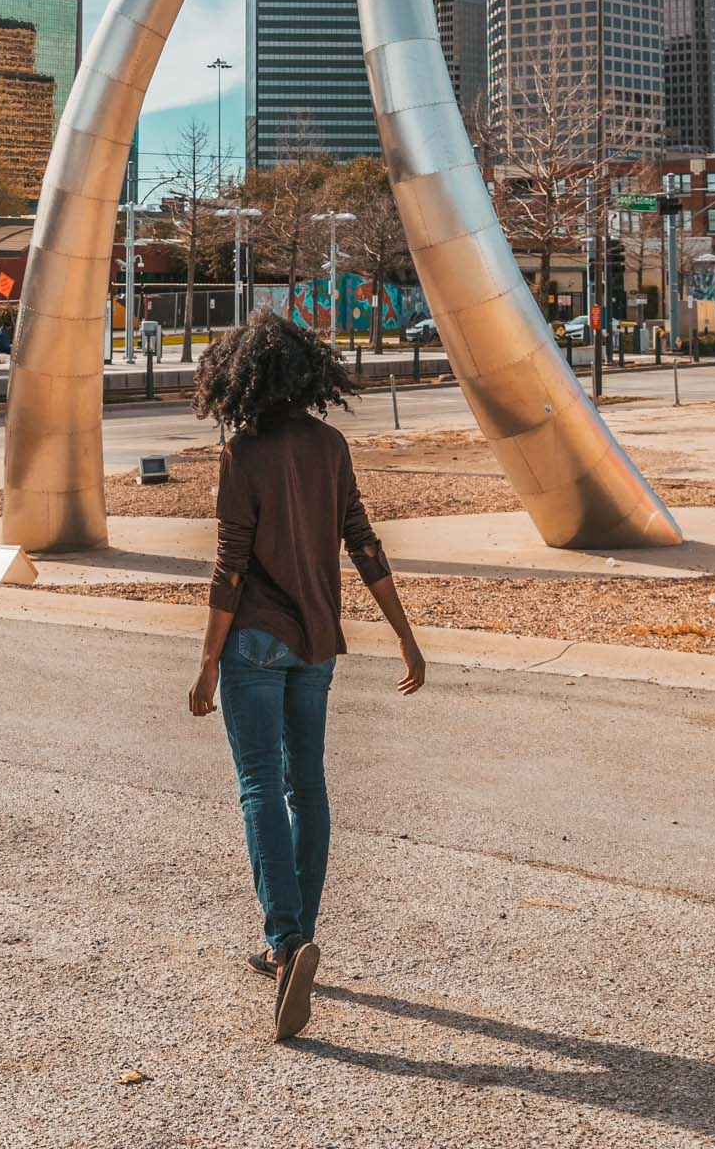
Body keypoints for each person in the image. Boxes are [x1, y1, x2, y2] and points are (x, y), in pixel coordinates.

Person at [187, 310, 424, 1043]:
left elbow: (230, 567)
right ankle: (294, 942)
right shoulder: (330, 445)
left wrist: (204, 666)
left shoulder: (243, 453)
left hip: (254, 642)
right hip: (318, 645)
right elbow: (364, 542)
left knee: (260, 785)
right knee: (307, 786)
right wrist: (406, 638)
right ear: (307, 372)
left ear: (235, 379)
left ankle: (288, 945)